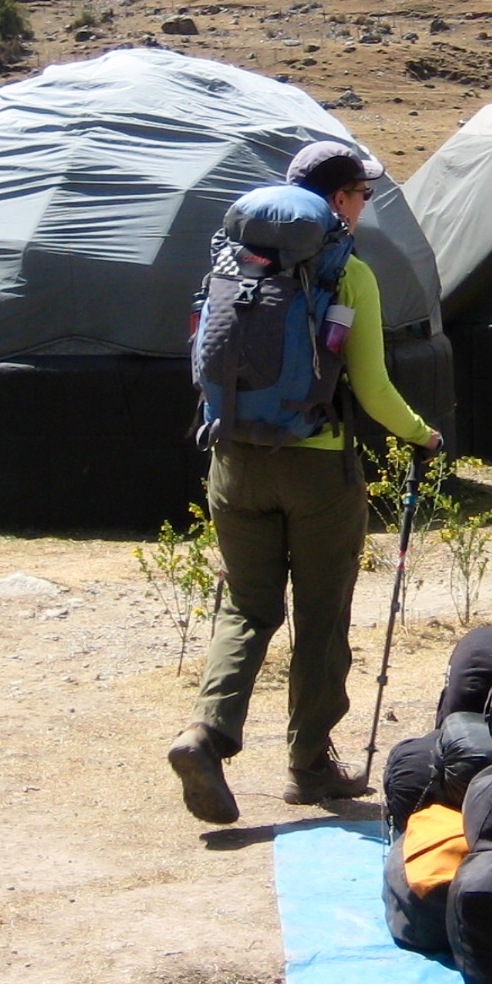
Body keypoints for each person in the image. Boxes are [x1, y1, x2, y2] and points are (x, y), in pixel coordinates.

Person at [167, 141, 442, 826]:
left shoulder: (231, 259)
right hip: (318, 469)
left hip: (232, 460)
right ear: (339, 199)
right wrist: (423, 436)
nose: (365, 208)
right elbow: (373, 388)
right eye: (364, 195)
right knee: (322, 615)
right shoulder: (349, 275)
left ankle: (206, 735)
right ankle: (310, 764)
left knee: (247, 608)